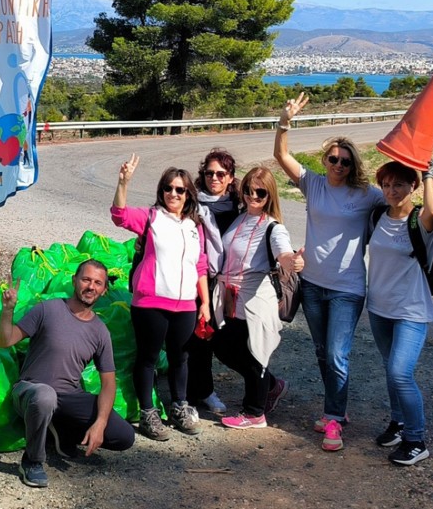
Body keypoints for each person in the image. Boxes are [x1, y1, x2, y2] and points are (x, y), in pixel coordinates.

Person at [274, 93, 385, 451]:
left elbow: (398, 204)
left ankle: (334, 418)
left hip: (347, 289)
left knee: (337, 354)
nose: (339, 165)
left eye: (345, 162)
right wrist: (284, 122)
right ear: (325, 159)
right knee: (323, 353)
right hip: (312, 285)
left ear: (354, 166)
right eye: (334, 159)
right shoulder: (314, 183)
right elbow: (282, 156)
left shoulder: (367, 194)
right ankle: (336, 408)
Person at [0, 260, 135, 488]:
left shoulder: (100, 331)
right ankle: (32, 461)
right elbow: (5, 341)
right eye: (86, 279)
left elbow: (109, 384)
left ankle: (60, 431)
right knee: (45, 396)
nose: (91, 286)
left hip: (69, 397)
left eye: (98, 283)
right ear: (74, 281)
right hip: (31, 390)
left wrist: (100, 423)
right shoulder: (47, 309)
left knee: (124, 436)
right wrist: (7, 310)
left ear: (104, 290)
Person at [111, 154, 211, 440]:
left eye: (180, 189)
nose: (173, 194)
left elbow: (200, 265)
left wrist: (204, 302)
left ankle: (179, 407)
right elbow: (119, 216)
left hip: (185, 305)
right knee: (148, 358)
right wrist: (123, 183)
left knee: (181, 358)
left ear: (188, 194)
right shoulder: (151, 217)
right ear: (161, 190)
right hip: (150, 303)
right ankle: (148, 413)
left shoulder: (195, 226)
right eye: (168, 188)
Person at [214, 168, 304, 429]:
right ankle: (272, 386)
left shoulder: (274, 227)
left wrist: (291, 261)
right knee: (223, 347)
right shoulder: (240, 218)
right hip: (231, 297)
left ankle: (254, 413)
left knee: (255, 352)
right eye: (248, 190)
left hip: (255, 299)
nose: (253, 196)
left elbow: (282, 252)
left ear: (270, 194)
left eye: (260, 192)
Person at [367, 160, 433, 466]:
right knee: (390, 369)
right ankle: (398, 423)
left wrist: (429, 175)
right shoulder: (377, 217)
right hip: (378, 307)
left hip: (411, 310)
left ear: (413, 186)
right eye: (386, 185)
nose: (391, 191)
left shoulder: (418, 221)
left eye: (398, 184)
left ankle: (416, 440)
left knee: (400, 372)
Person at [187, 148, 243, 414]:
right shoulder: (191, 203)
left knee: (219, 338)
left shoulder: (239, 207)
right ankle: (195, 393)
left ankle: (265, 385)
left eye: (221, 174)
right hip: (194, 278)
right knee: (195, 337)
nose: (215, 178)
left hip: (226, 282)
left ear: (230, 177)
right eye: (209, 173)